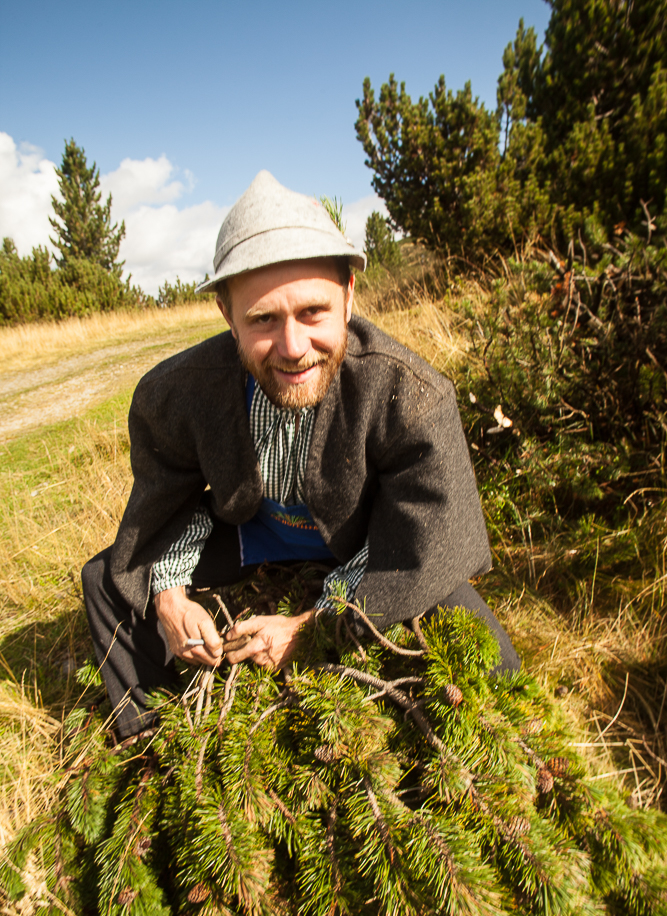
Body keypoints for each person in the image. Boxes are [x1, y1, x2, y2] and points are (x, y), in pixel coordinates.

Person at [81, 170, 520, 737]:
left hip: (364, 546)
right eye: (262, 319)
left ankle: (506, 741)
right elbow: (165, 507)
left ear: (349, 296)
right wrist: (168, 595)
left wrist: (312, 625)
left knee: (469, 624)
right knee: (105, 578)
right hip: (250, 537)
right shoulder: (176, 395)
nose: (292, 348)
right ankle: (154, 742)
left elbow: (429, 542)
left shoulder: (408, 394)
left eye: (312, 311)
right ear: (225, 314)